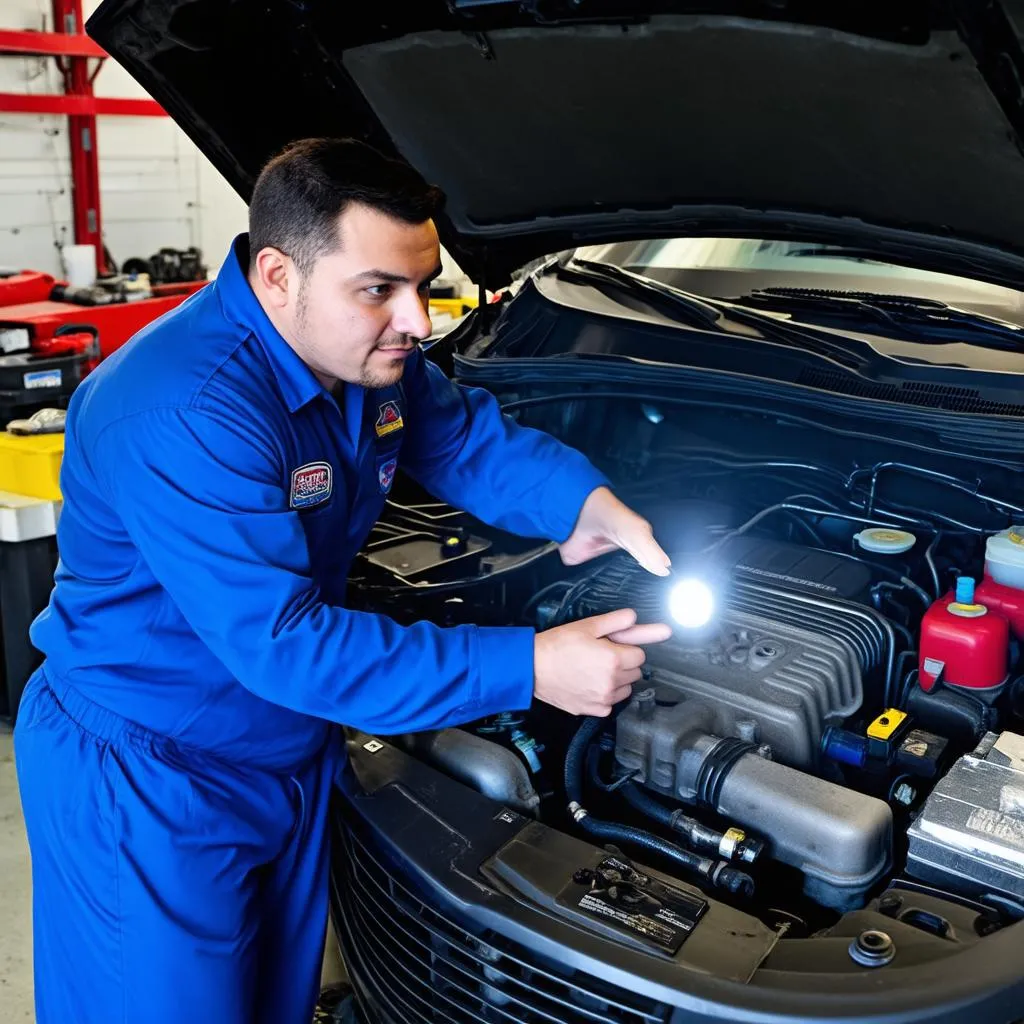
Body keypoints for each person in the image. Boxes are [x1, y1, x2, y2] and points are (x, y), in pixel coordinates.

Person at [15, 138, 672, 1024]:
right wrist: (529, 666)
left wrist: (580, 501)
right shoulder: (183, 411)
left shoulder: (365, 362)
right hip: (150, 772)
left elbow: (461, 438)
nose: (420, 321)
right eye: (379, 291)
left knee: (272, 1004)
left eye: (424, 282)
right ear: (279, 276)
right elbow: (286, 644)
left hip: (282, 745)